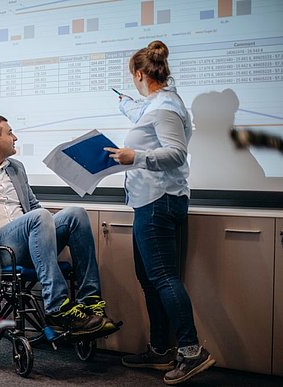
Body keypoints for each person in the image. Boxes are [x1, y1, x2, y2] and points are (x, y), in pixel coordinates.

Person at [0, 114, 118, 337]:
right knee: (40, 216)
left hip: (30, 241)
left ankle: (89, 301)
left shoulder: (17, 168)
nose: (15, 138)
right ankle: (56, 307)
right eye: (10, 133)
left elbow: (34, 207)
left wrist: (50, 220)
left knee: (76, 214)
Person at [104, 40, 215, 385]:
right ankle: (160, 349)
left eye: (133, 76)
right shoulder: (161, 102)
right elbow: (145, 114)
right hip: (148, 201)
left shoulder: (165, 107)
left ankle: (192, 351)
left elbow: (176, 153)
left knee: (164, 277)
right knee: (150, 278)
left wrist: (133, 157)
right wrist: (128, 105)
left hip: (158, 201)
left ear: (139, 74)